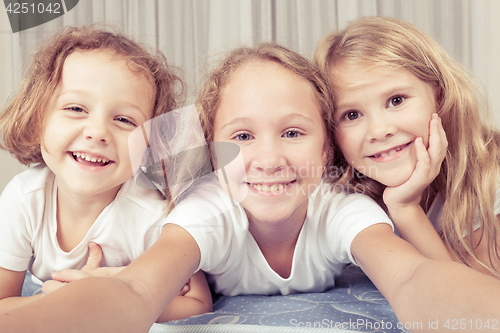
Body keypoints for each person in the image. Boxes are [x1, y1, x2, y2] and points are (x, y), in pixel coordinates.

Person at [2, 42, 500, 333]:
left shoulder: (337, 206)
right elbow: (136, 291)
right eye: (241, 137)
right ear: (214, 154)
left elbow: (411, 279)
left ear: (327, 149)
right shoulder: (207, 208)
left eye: (293, 132)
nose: (268, 158)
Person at [0, 25, 212, 322]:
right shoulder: (23, 199)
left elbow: (198, 302)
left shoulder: (151, 217)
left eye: (124, 119)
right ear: (37, 118)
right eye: (75, 108)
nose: (98, 132)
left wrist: (100, 295)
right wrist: (69, 300)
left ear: (150, 146)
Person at [313, 16, 500, 278]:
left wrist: (405, 208)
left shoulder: (488, 176)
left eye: (396, 100)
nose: (379, 130)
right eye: (352, 115)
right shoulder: (336, 191)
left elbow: (475, 295)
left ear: (440, 96)